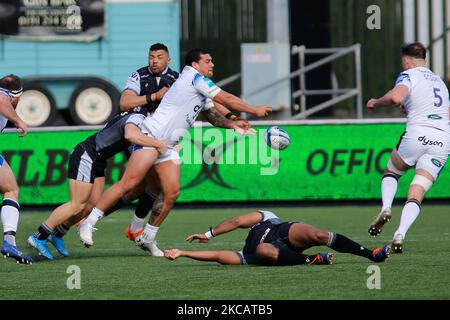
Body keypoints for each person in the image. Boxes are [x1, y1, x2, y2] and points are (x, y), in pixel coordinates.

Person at [78, 48, 272, 256]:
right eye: (208, 60)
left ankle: (148, 236)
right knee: (130, 184)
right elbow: (226, 98)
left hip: (168, 146)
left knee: (171, 193)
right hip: (152, 136)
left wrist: (233, 124)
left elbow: (214, 116)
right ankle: (88, 223)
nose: (212, 64)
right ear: (195, 64)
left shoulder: (198, 85)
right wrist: (254, 109)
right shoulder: (194, 77)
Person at [27, 110, 167, 260]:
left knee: (91, 206)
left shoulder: (135, 115)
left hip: (98, 160)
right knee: (77, 205)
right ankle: (38, 236)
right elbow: (130, 135)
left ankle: (57, 233)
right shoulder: (138, 118)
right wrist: (158, 144)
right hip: (87, 155)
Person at [366, 42, 449, 253]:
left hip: (417, 133)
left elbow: (396, 97)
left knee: (392, 171)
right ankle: (400, 233)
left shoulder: (409, 75)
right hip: (442, 139)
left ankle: (386, 207)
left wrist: (376, 102)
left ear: (406, 60)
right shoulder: (439, 82)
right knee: (417, 191)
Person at [164, 210, 390, 266]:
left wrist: (207, 234)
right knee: (263, 250)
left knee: (320, 234)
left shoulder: (266, 218)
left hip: (284, 233)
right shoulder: (247, 255)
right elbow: (217, 256)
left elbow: (236, 222)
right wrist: (182, 253)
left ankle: (371, 255)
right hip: (271, 253)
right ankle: (311, 260)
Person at [0, 74, 33, 264]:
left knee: (10, 188)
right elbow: (1, 99)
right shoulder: (5, 96)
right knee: (11, 190)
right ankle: (9, 241)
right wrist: (18, 120)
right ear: (16, 95)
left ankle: (10, 241)